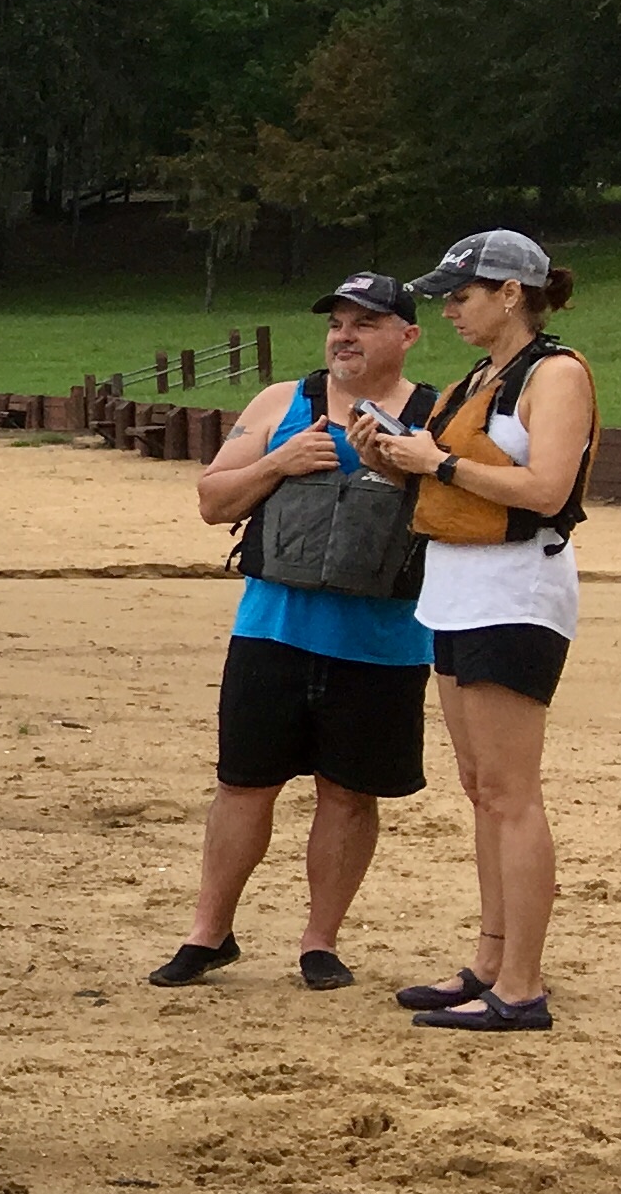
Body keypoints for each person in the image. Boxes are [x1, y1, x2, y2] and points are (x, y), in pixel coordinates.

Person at [150, 272, 438, 993]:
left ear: (407, 336)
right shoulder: (284, 403)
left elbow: (460, 515)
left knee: (349, 793)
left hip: (385, 642)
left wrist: (399, 470)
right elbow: (213, 500)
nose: (345, 335)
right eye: (337, 322)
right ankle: (208, 933)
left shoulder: (440, 416)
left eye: (366, 323)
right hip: (272, 631)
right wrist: (281, 460)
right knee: (243, 784)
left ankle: (320, 942)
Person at [362, 228, 597, 1034]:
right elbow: (452, 474)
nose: (450, 311)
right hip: (460, 587)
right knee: (481, 790)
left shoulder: (554, 373)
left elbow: (545, 486)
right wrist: (395, 457)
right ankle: (492, 959)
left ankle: (521, 986)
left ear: (511, 294)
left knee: (509, 793)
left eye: (461, 297)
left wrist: (437, 465)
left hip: (516, 588)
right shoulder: (482, 375)